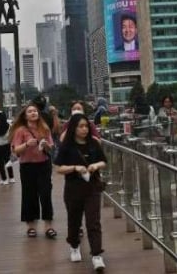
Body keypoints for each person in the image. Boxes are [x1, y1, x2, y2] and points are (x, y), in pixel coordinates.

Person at [54, 113, 107, 271]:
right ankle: (74, 245)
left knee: (93, 222)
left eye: (86, 126)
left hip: (92, 188)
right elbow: (58, 168)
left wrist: (95, 166)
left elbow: (104, 161)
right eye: (80, 126)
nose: (84, 129)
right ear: (73, 128)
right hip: (73, 188)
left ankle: (97, 255)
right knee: (74, 220)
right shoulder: (67, 147)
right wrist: (75, 168)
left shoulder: (94, 144)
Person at [10, 103, 56, 239]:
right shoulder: (21, 130)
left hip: (43, 165)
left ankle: (49, 226)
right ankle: (31, 226)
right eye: (30, 111)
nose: (33, 113)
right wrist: (26, 144)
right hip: (27, 166)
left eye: (35, 111)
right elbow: (15, 150)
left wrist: (46, 145)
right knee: (29, 196)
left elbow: (51, 147)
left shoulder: (45, 129)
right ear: (25, 115)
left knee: (46, 194)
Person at [0, 110, 15, 185]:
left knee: (1, 163)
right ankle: (11, 178)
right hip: (7, 145)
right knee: (8, 161)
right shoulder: (10, 125)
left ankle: (4, 179)